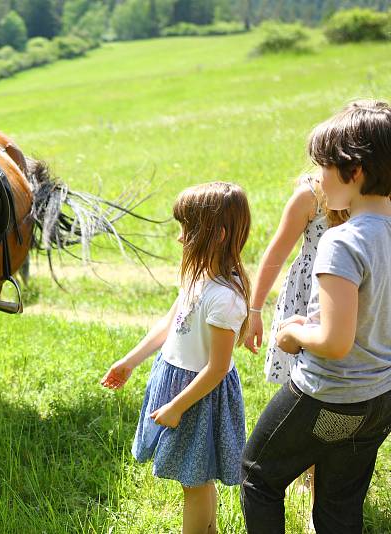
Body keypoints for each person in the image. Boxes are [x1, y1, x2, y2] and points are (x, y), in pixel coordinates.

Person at [241, 100, 391, 533]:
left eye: (323, 165)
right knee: (340, 504)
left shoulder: (342, 241)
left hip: (330, 394)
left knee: (258, 475)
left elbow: (334, 341)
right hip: (380, 398)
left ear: (355, 171)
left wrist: (294, 336)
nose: (318, 177)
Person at [102, 181, 251, 534]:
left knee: (195, 482)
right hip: (177, 382)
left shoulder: (225, 298)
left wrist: (177, 406)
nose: (181, 237)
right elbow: (170, 323)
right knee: (194, 479)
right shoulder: (197, 275)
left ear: (217, 234)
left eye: (188, 228)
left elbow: (216, 370)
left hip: (198, 396)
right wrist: (129, 361)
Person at [243, 171, 348, 498]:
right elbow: (275, 253)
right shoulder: (310, 195)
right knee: (308, 387)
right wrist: (255, 310)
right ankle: (310, 471)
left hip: (347, 295)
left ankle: (328, 472)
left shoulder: (374, 193)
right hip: (307, 296)